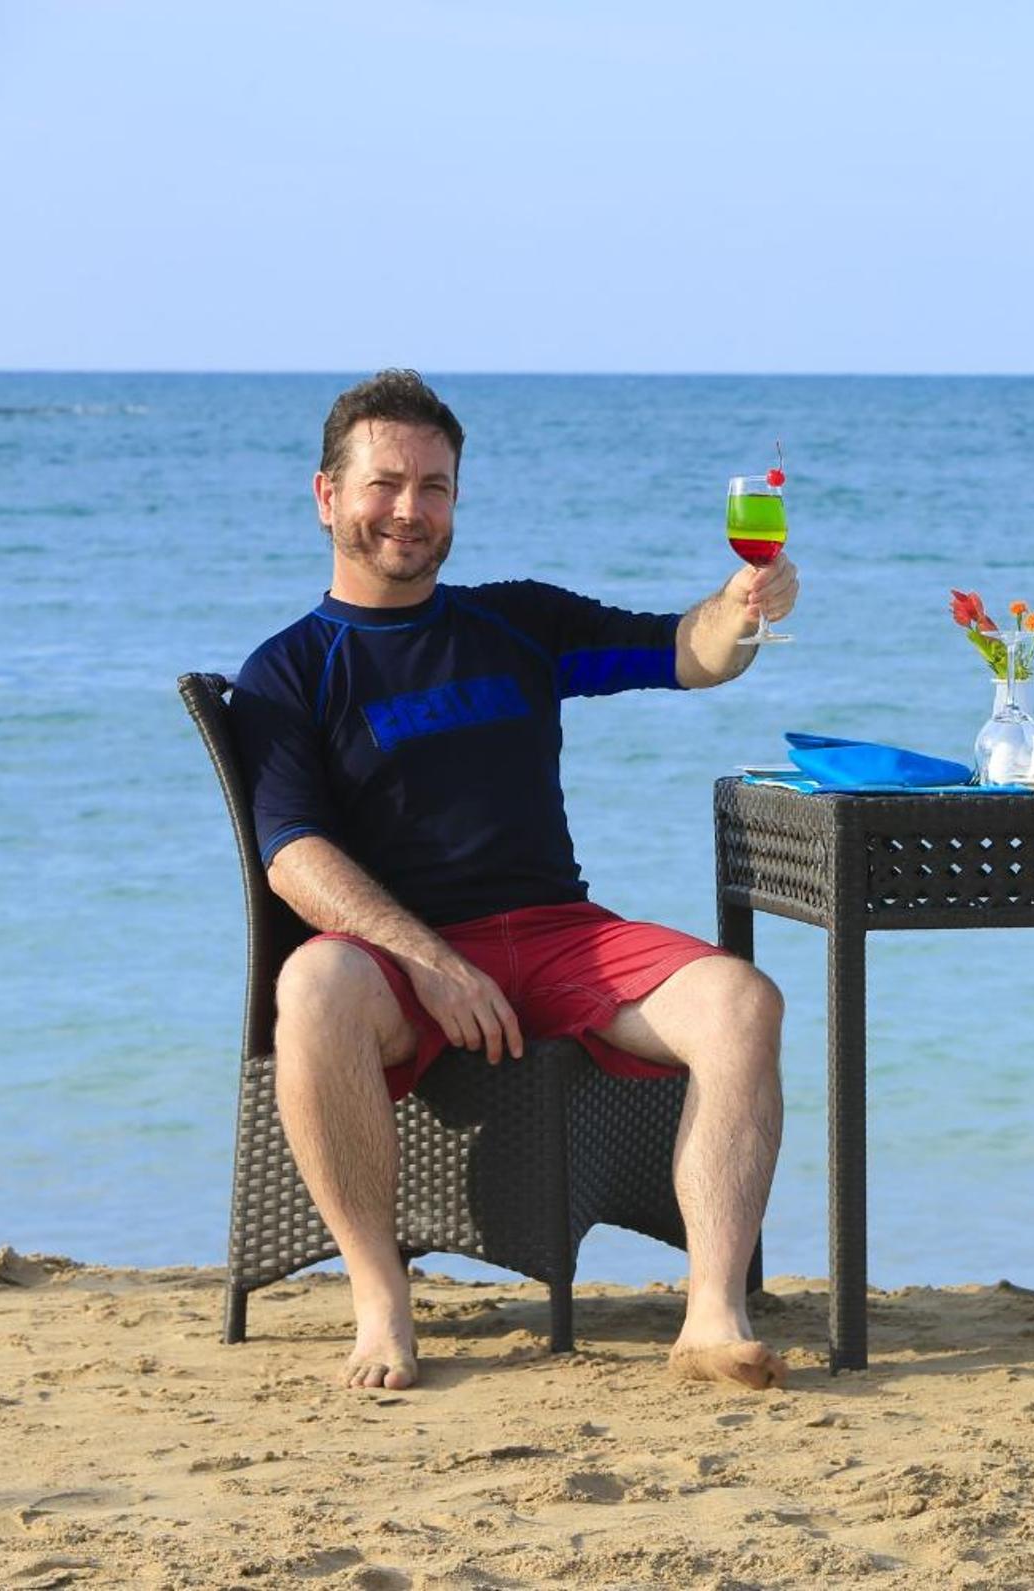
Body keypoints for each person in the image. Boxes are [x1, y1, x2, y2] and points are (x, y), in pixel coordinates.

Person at [231, 370, 798, 1393]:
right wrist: (430, 961)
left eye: (435, 486)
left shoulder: (518, 622)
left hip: (556, 935)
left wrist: (741, 607)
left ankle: (713, 1316)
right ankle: (381, 1303)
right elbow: (293, 856)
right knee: (309, 985)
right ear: (327, 495)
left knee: (741, 1001)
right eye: (385, 483)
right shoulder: (289, 670)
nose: (410, 508)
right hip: (395, 962)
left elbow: (688, 653)